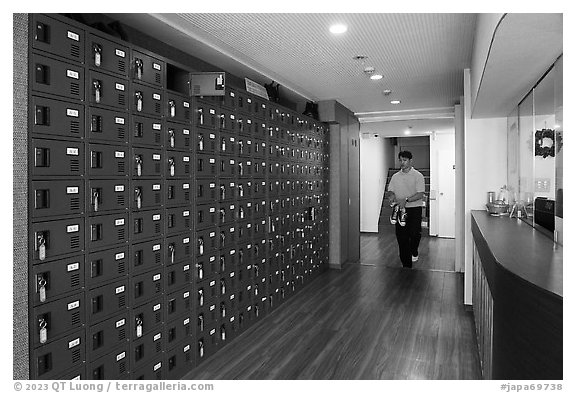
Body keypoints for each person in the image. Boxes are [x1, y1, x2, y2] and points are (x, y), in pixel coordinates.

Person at [387, 150, 425, 268]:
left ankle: (414, 250)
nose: (402, 163)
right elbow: (391, 190)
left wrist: (406, 200)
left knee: (414, 234)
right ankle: (406, 266)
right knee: (402, 238)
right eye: (400, 160)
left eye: (405, 160)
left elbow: (420, 194)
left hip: (414, 210)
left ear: (410, 161)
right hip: (399, 211)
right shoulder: (395, 176)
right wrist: (391, 196)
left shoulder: (418, 176)